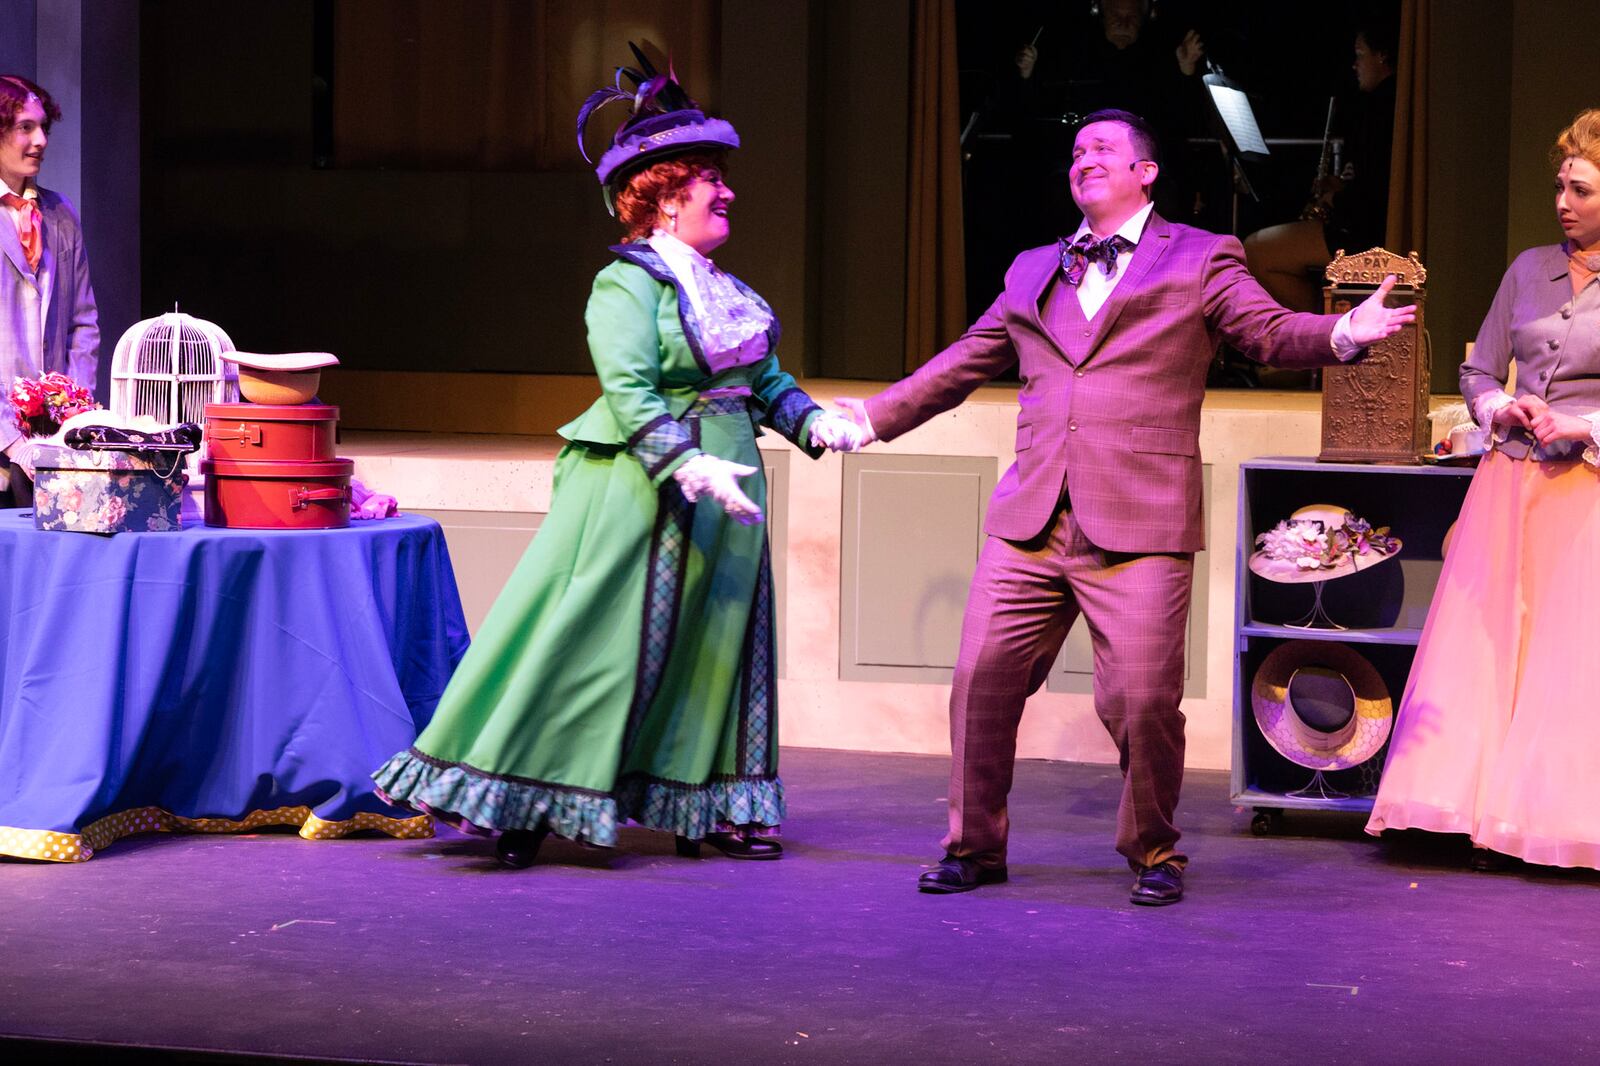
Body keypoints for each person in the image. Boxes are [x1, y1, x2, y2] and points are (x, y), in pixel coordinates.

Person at [839, 109, 1414, 905]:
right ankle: (974, 845)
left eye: (1103, 148)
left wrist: (1343, 334)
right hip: (1033, 518)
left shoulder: (1203, 256)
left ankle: (1154, 850)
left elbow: (1266, 331)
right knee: (980, 679)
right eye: (1076, 151)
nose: (1084, 160)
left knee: (1142, 700)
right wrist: (870, 419)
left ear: (1146, 172)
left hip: (1140, 519)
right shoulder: (1033, 267)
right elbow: (965, 361)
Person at [373, 51, 862, 868]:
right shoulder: (627, 285)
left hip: (733, 485)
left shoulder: (725, 290)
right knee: (595, 640)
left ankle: (704, 805)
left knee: (720, 643)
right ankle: (524, 795)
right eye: (710, 178)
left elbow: (764, 379)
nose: (729, 191)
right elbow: (630, 389)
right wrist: (686, 464)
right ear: (667, 197)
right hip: (640, 485)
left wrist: (820, 424)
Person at [1365, 110, 1600, 873]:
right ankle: (1466, 808)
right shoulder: (1528, 269)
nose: (1563, 202)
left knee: (1567, 656)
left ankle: (1545, 816)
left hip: (1585, 485)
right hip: (1510, 481)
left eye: (1582, 190)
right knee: (1488, 645)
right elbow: (1476, 370)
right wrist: (1500, 407)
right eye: (1560, 186)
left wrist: (1582, 425)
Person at [1243, 21, 1398, 312]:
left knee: (1254, 250)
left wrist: (1334, 198)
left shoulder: (1382, 107)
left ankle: (1322, 334)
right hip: (1361, 220)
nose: (1355, 65)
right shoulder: (1382, 103)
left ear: (1382, 55)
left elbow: (1374, 191)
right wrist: (1339, 186)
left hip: (1363, 230)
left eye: (1360, 54)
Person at [0, 75, 99, 508]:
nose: (40, 140)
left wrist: (70, 418)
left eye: (43, 128)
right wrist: (10, 440)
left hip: (53, 448)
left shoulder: (60, 213)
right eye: (25, 127)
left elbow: (84, 323)